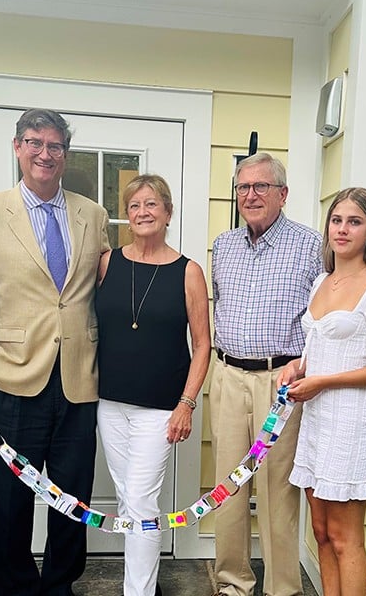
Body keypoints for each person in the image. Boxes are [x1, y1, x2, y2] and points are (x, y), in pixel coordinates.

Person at [0, 108, 110, 596]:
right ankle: (14, 586)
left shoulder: (93, 215)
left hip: (78, 379)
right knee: (9, 497)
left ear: (65, 153)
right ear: (18, 147)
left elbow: (100, 291)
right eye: (35, 143)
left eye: (55, 145)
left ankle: (60, 584)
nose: (45, 153)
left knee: (72, 495)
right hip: (11, 377)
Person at [276, 187, 366, 596]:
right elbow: (320, 346)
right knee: (320, 532)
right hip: (316, 421)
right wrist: (298, 366)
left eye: (354, 222)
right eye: (336, 220)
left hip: (351, 422)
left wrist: (323, 382)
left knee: (344, 537)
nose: (342, 229)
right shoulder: (322, 280)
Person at [210, 152, 322, 596]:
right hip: (227, 375)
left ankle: (282, 589)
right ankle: (232, 584)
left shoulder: (310, 246)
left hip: (280, 383)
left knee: (277, 492)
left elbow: (325, 319)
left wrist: (306, 368)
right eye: (243, 187)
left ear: (283, 194)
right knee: (228, 486)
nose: (251, 195)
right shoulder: (224, 245)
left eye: (261, 186)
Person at [95, 174, 211, 596]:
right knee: (129, 499)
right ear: (126, 215)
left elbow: (203, 345)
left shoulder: (188, 271)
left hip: (161, 408)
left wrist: (186, 403)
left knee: (142, 501)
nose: (142, 212)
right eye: (134, 206)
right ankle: (144, 584)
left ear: (168, 212)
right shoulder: (107, 263)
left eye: (151, 204)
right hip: (109, 404)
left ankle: (137, 592)